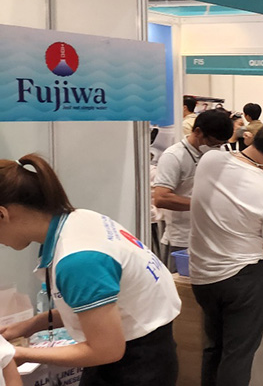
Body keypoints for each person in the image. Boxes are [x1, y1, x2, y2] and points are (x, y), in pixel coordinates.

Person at [0, 154, 181, 385]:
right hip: (142, 350)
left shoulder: (79, 259)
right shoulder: (79, 220)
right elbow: (100, 309)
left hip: (134, 367)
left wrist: (16, 355)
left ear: (2, 214)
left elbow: (106, 350)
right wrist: (30, 325)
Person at [189, 123, 263, 386]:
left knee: (213, 348)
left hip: (202, 276)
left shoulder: (210, 160)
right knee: (237, 355)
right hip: (242, 279)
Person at [153, 108, 233, 271]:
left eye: (220, 144)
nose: (216, 147)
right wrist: (203, 204)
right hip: (182, 240)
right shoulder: (174, 156)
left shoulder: (220, 152)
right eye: (212, 143)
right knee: (181, 283)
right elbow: (161, 198)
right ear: (197, 132)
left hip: (213, 237)